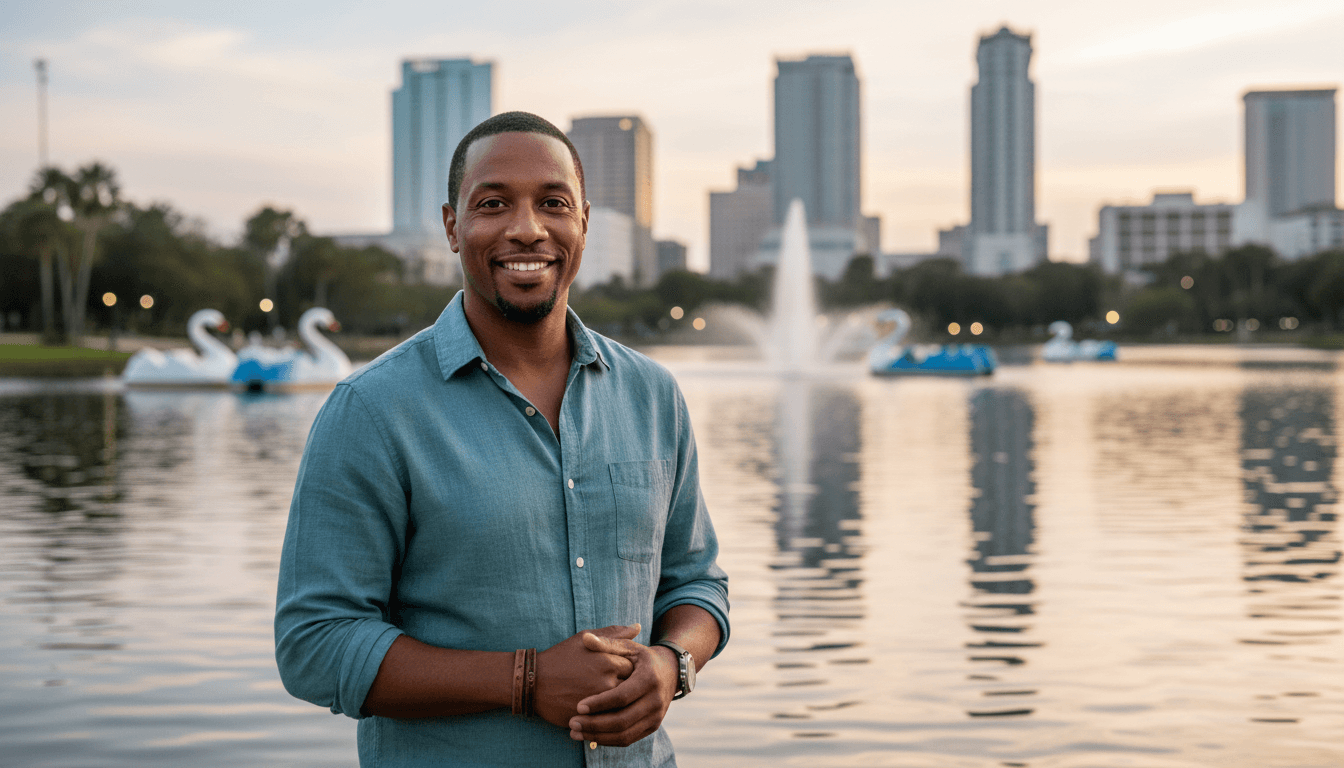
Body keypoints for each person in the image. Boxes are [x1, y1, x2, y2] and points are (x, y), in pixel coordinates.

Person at [274, 111, 730, 767]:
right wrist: (525, 681)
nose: (526, 228)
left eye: (553, 203)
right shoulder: (371, 410)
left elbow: (697, 583)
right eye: (493, 204)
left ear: (583, 224)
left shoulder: (653, 395)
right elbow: (314, 644)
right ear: (452, 226)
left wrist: (672, 662)